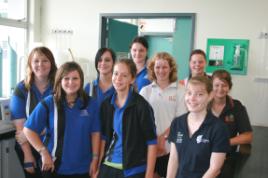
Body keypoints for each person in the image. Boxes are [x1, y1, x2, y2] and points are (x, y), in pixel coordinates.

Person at [23, 62, 100, 178]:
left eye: (75, 78)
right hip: (54, 167)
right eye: (66, 78)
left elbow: (95, 133)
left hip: (83, 169)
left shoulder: (91, 104)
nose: (71, 82)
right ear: (60, 80)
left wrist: (95, 159)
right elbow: (28, 130)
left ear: (81, 80)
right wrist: (43, 152)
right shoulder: (49, 103)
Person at [97, 59, 157, 178]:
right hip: (108, 167)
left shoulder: (141, 106)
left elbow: (152, 142)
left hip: (133, 170)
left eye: (124, 75)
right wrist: (98, 166)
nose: (118, 78)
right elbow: (104, 138)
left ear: (132, 78)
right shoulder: (106, 104)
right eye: (116, 73)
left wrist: (149, 174)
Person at [167, 76, 230, 178]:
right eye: (189, 93)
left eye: (199, 94)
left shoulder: (219, 128)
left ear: (210, 96)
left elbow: (215, 169)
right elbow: (174, 159)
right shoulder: (177, 123)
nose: (192, 98)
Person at [10, 46, 57, 178]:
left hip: (53, 147)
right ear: (30, 64)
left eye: (45, 60)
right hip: (28, 147)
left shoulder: (59, 87)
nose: (40, 64)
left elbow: (61, 121)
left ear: (51, 63)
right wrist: (27, 155)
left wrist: (32, 132)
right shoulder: (22, 89)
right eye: (36, 61)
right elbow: (20, 129)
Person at [139, 52, 187, 178]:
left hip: (172, 148)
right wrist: (154, 140)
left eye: (165, 67)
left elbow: (181, 119)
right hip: (148, 147)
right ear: (152, 69)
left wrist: (163, 138)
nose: (161, 70)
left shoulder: (181, 90)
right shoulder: (145, 91)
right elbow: (139, 120)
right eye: (157, 67)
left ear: (171, 69)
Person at [210, 69, 253, 178]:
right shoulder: (203, 105)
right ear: (211, 86)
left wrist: (224, 143)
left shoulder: (237, 107)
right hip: (203, 154)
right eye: (216, 85)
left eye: (224, 85)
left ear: (229, 87)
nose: (220, 89)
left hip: (226, 157)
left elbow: (248, 136)